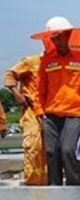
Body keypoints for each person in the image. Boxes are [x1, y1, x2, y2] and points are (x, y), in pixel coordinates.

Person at [31, 16, 80, 186]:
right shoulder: (47, 60)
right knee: (51, 151)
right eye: (54, 39)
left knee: (68, 150)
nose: (58, 42)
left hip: (74, 114)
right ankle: (55, 189)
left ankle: (74, 188)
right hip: (50, 115)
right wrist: (39, 110)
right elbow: (39, 88)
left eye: (60, 37)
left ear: (69, 36)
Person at [5, 54, 47, 185]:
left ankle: (47, 182)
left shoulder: (58, 63)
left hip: (51, 111)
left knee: (50, 149)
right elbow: (10, 75)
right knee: (33, 146)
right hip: (32, 110)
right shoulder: (31, 61)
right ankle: (32, 182)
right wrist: (17, 94)